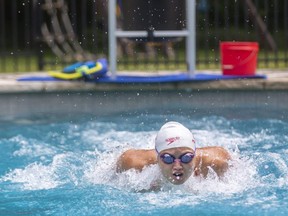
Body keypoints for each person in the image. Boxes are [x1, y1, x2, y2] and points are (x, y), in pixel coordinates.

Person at [116, 121, 231, 185]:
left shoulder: (216, 162)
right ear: (157, 157)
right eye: (167, 158)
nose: (177, 166)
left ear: (195, 155)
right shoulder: (133, 163)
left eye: (186, 158)